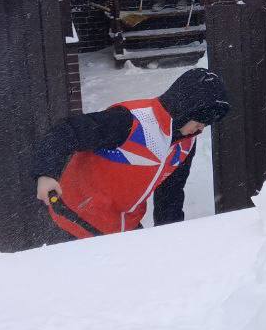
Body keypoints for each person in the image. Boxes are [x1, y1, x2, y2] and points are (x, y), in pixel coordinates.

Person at [33, 68, 231, 237]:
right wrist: (46, 173)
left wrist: (171, 237)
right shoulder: (131, 122)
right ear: (184, 110)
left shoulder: (185, 144)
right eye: (199, 121)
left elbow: (170, 195)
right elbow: (67, 132)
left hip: (122, 227)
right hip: (71, 219)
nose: (200, 129)